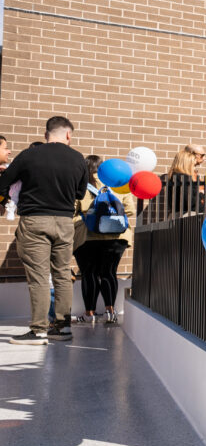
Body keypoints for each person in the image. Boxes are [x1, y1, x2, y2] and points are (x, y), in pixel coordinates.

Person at [0, 116, 88, 344]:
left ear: (46, 133)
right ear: (68, 134)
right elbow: (80, 194)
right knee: (61, 274)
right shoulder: (78, 158)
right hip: (65, 222)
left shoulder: (29, 155)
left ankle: (38, 330)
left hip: (34, 220)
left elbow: (3, 183)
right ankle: (62, 327)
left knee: (39, 277)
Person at [74, 155, 135, 324]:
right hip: (116, 235)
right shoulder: (119, 184)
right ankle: (110, 312)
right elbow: (130, 211)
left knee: (90, 273)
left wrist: (87, 220)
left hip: (88, 236)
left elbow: (72, 212)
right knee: (109, 273)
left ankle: (89, 314)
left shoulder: (81, 185)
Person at [165, 148, 205, 214]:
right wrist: (201, 194)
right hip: (188, 217)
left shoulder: (174, 176)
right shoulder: (183, 177)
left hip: (179, 214)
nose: (194, 166)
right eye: (193, 163)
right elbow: (190, 202)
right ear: (187, 163)